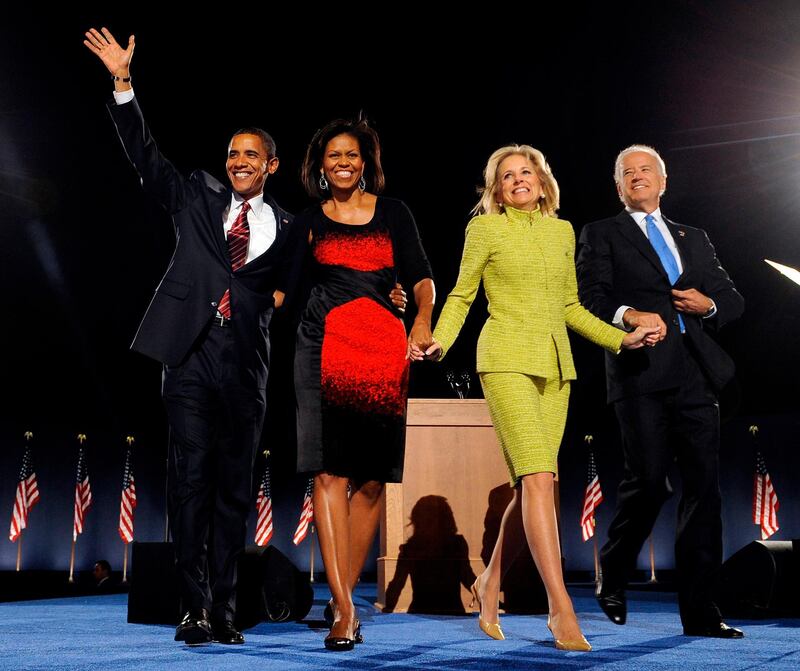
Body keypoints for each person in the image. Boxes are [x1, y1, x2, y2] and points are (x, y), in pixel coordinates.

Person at [83, 27, 293, 646]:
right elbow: (145, 156)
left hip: (247, 367)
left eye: (251, 155)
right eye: (233, 154)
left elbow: (301, 286)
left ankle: (227, 609)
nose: (238, 162)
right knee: (190, 484)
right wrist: (124, 83)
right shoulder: (196, 197)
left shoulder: (289, 226)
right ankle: (195, 609)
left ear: (271, 165)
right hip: (190, 358)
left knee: (233, 489)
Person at [420, 145, 657, 652]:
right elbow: (462, 294)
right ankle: (561, 607)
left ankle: (488, 583)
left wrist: (620, 338)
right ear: (497, 190)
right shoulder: (484, 229)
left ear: (542, 181)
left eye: (525, 172)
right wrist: (440, 340)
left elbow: (570, 306)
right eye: (506, 176)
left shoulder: (561, 231)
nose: (517, 180)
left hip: (556, 369)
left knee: (532, 486)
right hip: (504, 358)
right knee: (539, 478)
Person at [576, 144, 745, 638]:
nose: (637, 175)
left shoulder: (694, 237)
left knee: (703, 494)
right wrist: (628, 315)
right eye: (626, 172)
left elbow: (733, 299)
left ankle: (701, 612)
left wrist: (707, 304)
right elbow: (590, 297)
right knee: (649, 482)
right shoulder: (601, 233)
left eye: (645, 169)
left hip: (698, 376)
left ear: (663, 181)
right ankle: (614, 563)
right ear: (618, 186)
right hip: (640, 372)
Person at [291, 117, 435, 651]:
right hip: (320, 347)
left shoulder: (394, 213)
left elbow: (421, 276)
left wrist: (419, 319)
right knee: (329, 472)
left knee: (371, 480)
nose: (343, 163)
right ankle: (346, 609)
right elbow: (281, 281)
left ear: (364, 161)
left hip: (380, 350)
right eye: (333, 156)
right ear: (320, 166)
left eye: (351, 154)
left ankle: (341, 594)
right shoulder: (309, 220)